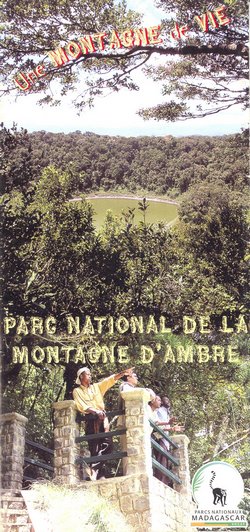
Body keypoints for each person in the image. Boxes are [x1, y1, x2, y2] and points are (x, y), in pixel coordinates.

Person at [73, 366, 134, 480]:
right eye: (88, 374)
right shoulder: (77, 391)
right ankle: (99, 475)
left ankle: (94, 469)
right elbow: (81, 406)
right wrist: (95, 411)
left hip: (102, 419)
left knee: (108, 445)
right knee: (94, 448)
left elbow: (110, 380)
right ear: (81, 376)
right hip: (90, 419)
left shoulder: (97, 387)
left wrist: (122, 373)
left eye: (90, 374)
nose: (90, 376)